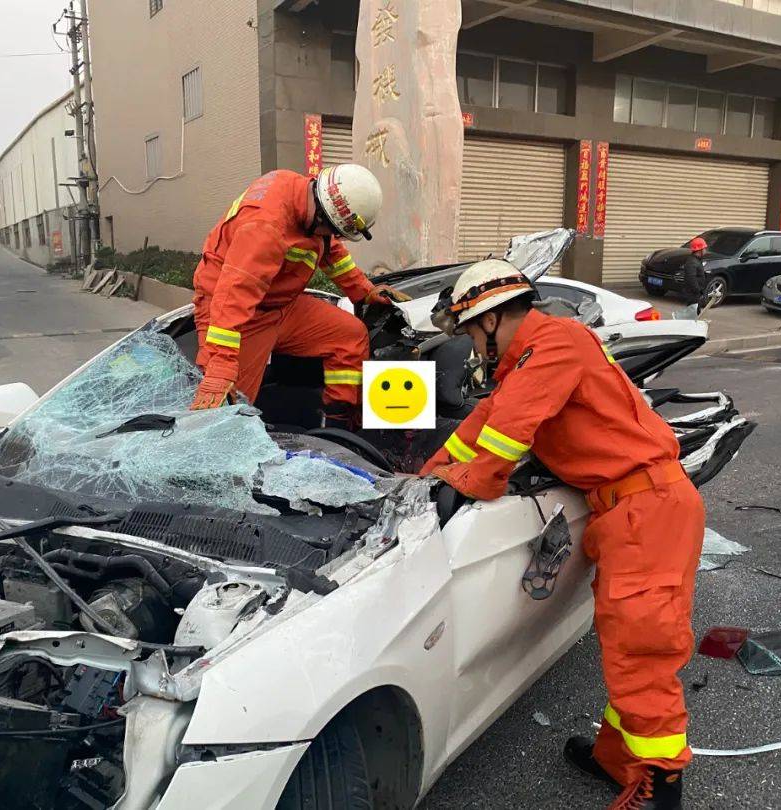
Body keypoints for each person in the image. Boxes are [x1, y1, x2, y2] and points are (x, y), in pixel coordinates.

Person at [422, 259, 703, 810]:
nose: (474, 350)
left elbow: (502, 442)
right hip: (627, 512)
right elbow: (473, 434)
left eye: (473, 335)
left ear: (494, 318)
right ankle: (616, 760)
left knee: (643, 648)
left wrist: (465, 485)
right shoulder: (525, 366)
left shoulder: (556, 342)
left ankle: (659, 787)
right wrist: (419, 483)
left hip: (647, 508)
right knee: (625, 643)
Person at [190, 164, 409, 429]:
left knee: (349, 336)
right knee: (229, 410)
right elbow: (234, 294)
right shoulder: (265, 226)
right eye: (335, 231)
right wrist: (222, 364)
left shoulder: (311, 198)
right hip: (234, 312)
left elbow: (330, 250)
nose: (335, 238)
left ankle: (338, 425)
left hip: (280, 303)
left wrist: (364, 291)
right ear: (322, 218)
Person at [682, 236, 711, 311]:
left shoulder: (697, 260)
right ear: (699, 250)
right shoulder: (692, 262)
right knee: (693, 313)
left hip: (696, 293)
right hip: (693, 294)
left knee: (695, 313)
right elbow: (691, 278)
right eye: (704, 248)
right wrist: (697, 290)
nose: (705, 250)